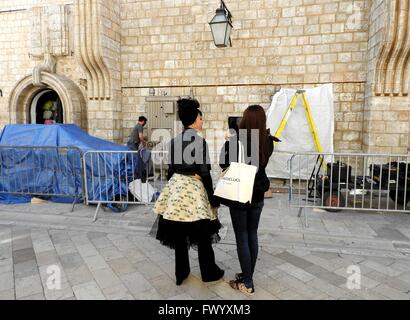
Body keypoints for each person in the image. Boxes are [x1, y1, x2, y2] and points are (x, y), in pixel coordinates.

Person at [153, 98, 224, 286]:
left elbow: (171, 169)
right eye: (201, 118)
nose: (202, 122)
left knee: (179, 235)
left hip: (176, 188)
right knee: (202, 235)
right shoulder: (200, 142)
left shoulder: (174, 141)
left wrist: (175, 187)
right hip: (194, 191)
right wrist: (212, 197)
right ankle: (209, 272)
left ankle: (181, 274)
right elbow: (205, 173)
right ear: (194, 119)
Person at [219, 105, 274, 295]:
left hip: (240, 194)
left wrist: (228, 142)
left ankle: (247, 283)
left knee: (242, 236)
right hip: (258, 194)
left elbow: (223, 163)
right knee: (252, 234)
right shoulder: (267, 140)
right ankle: (246, 275)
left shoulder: (236, 141)